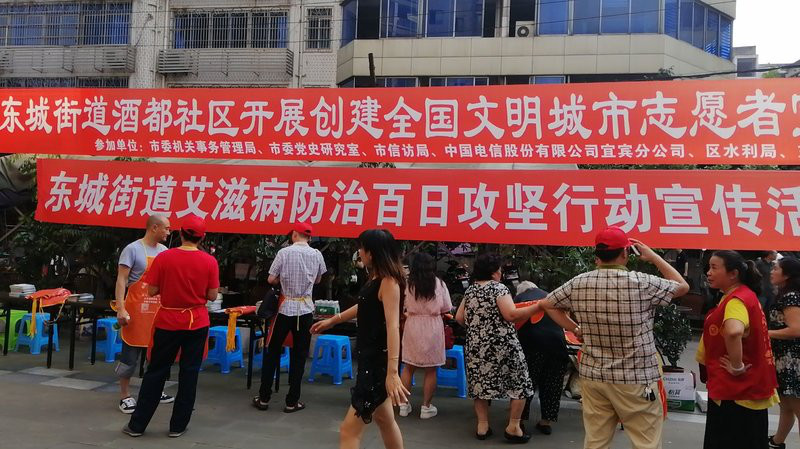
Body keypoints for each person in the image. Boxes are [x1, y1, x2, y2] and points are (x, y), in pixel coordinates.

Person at [539, 226, 689, 449]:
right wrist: (654, 257)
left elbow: (548, 304)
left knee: (596, 441)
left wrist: (576, 328)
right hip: (635, 378)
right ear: (626, 253)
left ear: (597, 255)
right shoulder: (642, 282)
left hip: (594, 376)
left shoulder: (579, 282)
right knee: (645, 443)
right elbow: (682, 286)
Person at [123, 215, 220, 438]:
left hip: (168, 321)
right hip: (196, 322)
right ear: (202, 237)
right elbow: (212, 295)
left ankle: (137, 425)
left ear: (181, 234)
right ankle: (178, 426)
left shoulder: (165, 257)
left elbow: (152, 290)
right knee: (189, 373)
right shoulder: (209, 261)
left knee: (156, 371)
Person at [311, 229, 409, 449]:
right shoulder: (376, 278)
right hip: (370, 359)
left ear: (371, 253)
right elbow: (364, 305)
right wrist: (333, 320)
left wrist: (393, 372)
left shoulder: (389, 282)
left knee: (349, 430)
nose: (359, 252)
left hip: (376, 364)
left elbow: (393, 326)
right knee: (385, 420)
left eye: (362, 248)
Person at [455, 253, 542, 444]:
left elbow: (459, 318)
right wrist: (537, 307)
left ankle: (482, 426)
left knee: (480, 385)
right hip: (503, 345)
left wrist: (478, 328)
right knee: (520, 384)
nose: (501, 273)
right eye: (500, 269)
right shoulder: (499, 288)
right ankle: (513, 427)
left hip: (476, 346)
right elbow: (511, 315)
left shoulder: (471, 290)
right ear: (494, 271)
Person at [697, 250, 778, 449]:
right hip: (744, 391)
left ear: (733, 273)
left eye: (714, 268)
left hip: (736, 392)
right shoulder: (742, 295)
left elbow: (733, 331)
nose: (709, 272)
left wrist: (737, 365)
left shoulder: (736, 300)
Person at [251, 222, 326, 413]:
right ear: (309, 237)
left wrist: (282, 279)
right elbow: (318, 279)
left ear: (294, 235)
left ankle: (264, 398)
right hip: (306, 309)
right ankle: (292, 401)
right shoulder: (317, 255)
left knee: (273, 351)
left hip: (285, 308)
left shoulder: (284, 253)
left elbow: (270, 279)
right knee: (299, 355)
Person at [114, 214, 173, 414]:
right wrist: (121, 308)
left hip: (157, 311)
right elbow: (121, 280)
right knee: (130, 357)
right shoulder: (132, 249)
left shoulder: (165, 252)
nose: (168, 232)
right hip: (135, 311)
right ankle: (124, 396)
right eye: (166, 228)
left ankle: (155, 391)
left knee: (157, 356)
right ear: (154, 227)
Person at [398, 252, 453, 420]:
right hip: (433, 326)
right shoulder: (439, 284)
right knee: (431, 369)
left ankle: (403, 405)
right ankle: (426, 407)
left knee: (408, 367)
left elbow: (402, 305)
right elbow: (447, 307)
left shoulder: (408, 284)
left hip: (413, 325)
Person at [514, 281, 569, 436]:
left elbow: (513, 320)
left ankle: (519, 421)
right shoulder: (551, 296)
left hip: (532, 346)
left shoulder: (520, 298)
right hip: (557, 345)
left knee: (527, 383)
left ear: (520, 292)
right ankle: (546, 422)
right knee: (552, 384)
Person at [767, 257, 800, 449]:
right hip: (783, 359)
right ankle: (777, 441)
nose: (772, 271)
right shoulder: (785, 294)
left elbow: (796, 329)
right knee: (786, 404)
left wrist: (765, 333)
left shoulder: (791, 296)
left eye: (776, 268)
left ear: (787, 275)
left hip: (792, 360)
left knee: (795, 405)